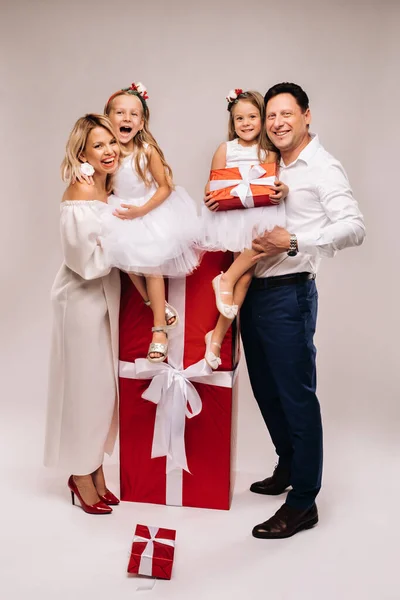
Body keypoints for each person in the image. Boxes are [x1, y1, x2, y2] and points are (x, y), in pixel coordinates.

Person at [240, 82, 366, 539]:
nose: (276, 123)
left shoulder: (322, 168)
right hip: (254, 288)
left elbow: (354, 227)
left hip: (290, 292)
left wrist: (293, 241)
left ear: (307, 115)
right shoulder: (269, 163)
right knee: (265, 390)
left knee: (296, 395)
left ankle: (303, 502)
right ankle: (288, 464)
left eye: (286, 114)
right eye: (270, 115)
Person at [44, 114, 122, 515]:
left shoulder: (110, 187)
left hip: (106, 299)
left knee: (105, 392)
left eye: (111, 142)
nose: (108, 150)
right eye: (98, 145)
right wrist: (129, 244)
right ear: (82, 152)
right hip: (82, 299)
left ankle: (95, 468)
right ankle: (80, 474)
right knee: (86, 391)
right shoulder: (80, 188)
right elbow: (84, 263)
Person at [101, 82, 200, 363]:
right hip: (120, 212)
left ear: (142, 122)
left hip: (149, 210)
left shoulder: (146, 151)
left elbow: (165, 187)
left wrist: (142, 210)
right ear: (107, 118)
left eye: (134, 114)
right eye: (119, 113)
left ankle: (159, 331)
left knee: (150, 264)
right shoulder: (107, 154)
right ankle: (153, 302)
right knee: (125, 258)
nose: (126, 119)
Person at [201, 89, 288, 369]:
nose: (246, 123)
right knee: (247, 270)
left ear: (262, 119)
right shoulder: (226, 149)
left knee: (246, 278)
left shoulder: (270, 151)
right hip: (236, 216)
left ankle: (215, 337)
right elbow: (213, 183)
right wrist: (210, 196)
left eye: (252, 116)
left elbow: (278, 182)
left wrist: (281, 191)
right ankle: (224, 286)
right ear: (232, 121)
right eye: (240, 118)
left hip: (261, 213)